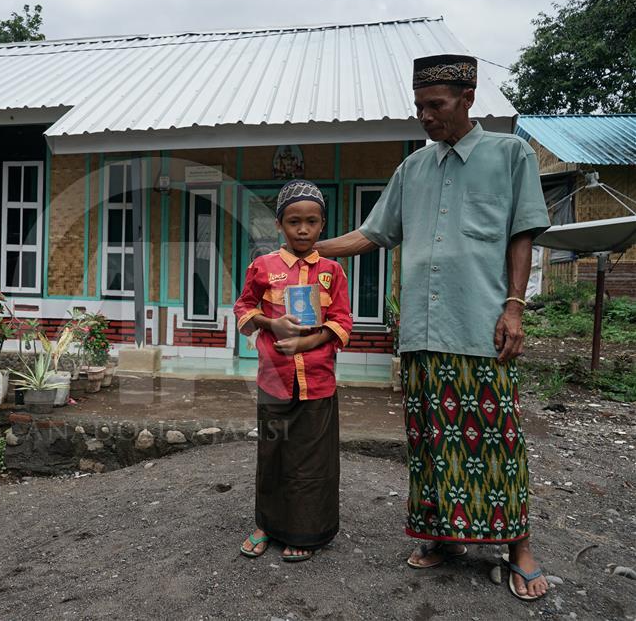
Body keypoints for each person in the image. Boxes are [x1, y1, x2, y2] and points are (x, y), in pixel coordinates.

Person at [314, 54, 551, 601]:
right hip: (420, 330)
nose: (425, 116)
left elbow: (522, 234)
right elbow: (373, 235)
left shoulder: (509, 154)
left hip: (479, 326)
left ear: (467, 100)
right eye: (419, 105)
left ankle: (519, 547)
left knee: (497, 439)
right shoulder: (412, 169)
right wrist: (305, 250)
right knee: (431, 445)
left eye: (435, 105)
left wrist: (514, 307)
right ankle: (444, 537)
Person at [233, 180, 353, 562]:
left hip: (318, 382)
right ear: (279, 226)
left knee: (311, 461)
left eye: (312, 222)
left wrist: (306, 343)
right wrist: (271, 325)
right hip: (275, 382)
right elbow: (243, 309)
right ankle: (266, 524)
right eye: (294, 221)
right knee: (273, 455)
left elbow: (343, 322)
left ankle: (307, 530)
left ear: (322, 225)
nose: (303, 229)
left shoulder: (332, 271)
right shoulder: (262, 267)